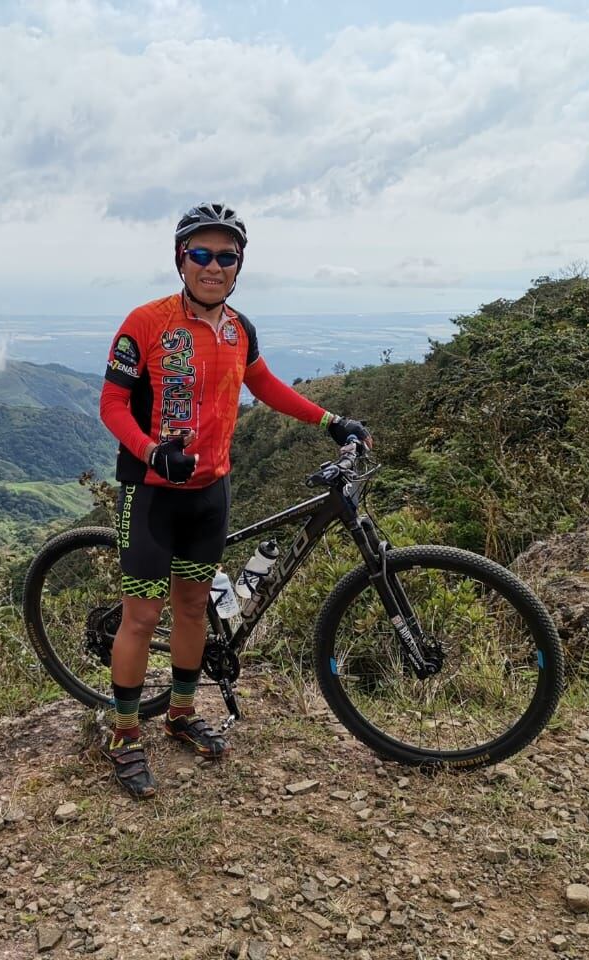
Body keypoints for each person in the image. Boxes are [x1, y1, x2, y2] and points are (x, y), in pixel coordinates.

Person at [98, 202, 371, 799]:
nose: (213, 266)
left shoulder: (239, 329)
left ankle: (180, 713)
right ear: (181, 259)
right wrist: (149, 452)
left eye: (226, 256)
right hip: (149, 493)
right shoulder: (144, 323)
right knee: (142, 617)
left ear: (240, 264)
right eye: (201, 254)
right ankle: (122, 733)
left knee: (194, 610)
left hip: (209, 493)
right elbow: (112, 405)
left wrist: (330, 420)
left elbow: (265, 383)